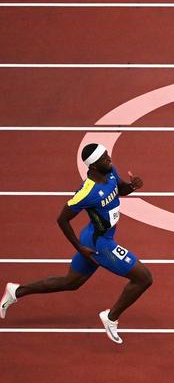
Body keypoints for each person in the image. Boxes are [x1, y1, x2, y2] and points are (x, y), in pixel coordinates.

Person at [1, 143, 152, 344]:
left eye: (107, 155)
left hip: (93, 237)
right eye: (105, 159)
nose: (110, 159)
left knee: (70, 282)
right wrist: (79, 248)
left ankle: (16, 291)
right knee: (143, 278)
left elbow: (119, 189)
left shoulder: (109, 171)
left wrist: (132, 186)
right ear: (94, 166)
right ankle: (110, 317)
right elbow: (62, 219)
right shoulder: (86, 192)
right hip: (99, 244)